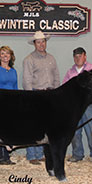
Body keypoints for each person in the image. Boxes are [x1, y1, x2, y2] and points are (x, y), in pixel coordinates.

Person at [23, 31, 60, 165]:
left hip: (49, 95)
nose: (41, 44)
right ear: (34, 44)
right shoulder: (29, 59)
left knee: (46, 126)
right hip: (35, 94)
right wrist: (29, 98)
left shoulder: (51, 58)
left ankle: (41, 154)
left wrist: (56, 93)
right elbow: (27, 80)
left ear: (45, 42)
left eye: (43, 41)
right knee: (33, 125)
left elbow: (56, 76)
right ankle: (32, 155)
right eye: (38, 42)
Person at [64, 47, 92, 165]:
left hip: (88, 104)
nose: (78, 58)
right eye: (75, 56)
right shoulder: (70, 72)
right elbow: (65, 87)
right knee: (75, 130)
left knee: (91, 129)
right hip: (74, 105)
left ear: (85, 56)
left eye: (80, 55)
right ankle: (77, 154)